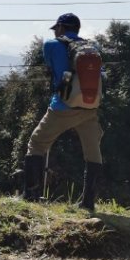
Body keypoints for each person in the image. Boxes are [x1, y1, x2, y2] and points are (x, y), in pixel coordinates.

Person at [23, 12, 102, 212]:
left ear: (60, 27)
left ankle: (32, 196)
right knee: (93, 153)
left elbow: (53, 69)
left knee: (36, 143)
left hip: (62, 107)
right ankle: (88, 202)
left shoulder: (51, 45)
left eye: (56, 28)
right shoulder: (94, 47)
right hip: (89, 108)